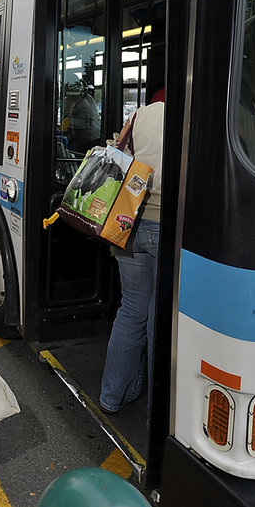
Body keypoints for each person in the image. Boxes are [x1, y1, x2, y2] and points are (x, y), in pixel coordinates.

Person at [98, 88, 164, 418]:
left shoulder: (139, 116)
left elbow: (114, 154)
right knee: (159, 320)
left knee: (132, 310)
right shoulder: (194, 118)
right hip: (169, 228)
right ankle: (157, 416)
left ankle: (111, 396)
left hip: (129, 224)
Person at [65, 83, 101, 154]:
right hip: (95, 136)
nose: (67, 97)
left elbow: (75, 129)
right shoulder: (88, 98)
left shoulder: (82, 104)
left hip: (88, 139)